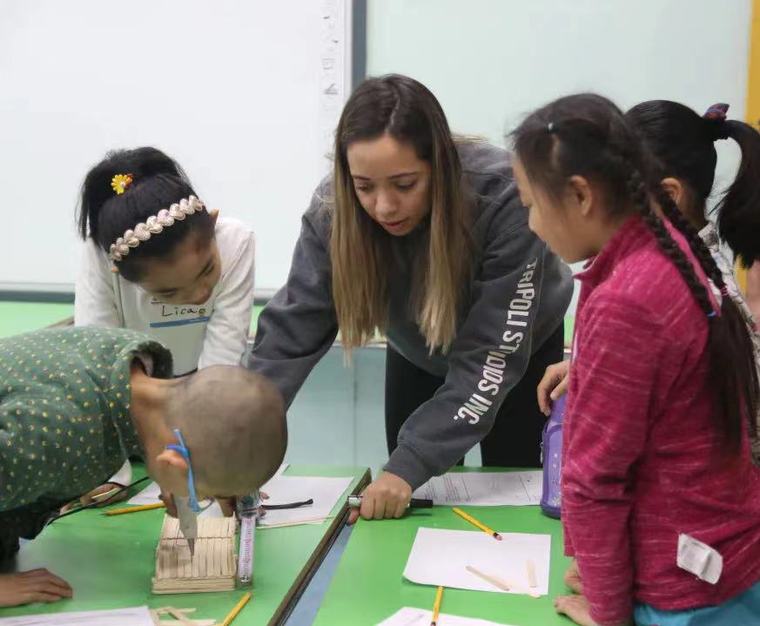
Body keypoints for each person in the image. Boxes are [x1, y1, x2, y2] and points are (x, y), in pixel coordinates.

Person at [249, 74, 572, 522]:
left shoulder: (501, 196)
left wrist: (408, 465)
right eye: (365, 187)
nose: (383, 207)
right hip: (416, 349)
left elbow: (489, 358)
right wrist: (240, 435)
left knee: (516, 500)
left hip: (519, 352)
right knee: (409, 492)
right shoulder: (332, 209)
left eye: (404, 185)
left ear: (438, 165)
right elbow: (290, 333)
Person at [513, 92, 760, 626]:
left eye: (531, 204)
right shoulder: (664, 249)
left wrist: (608, 612)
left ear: (579, 195)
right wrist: (596, 570)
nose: (531, 224)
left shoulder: (628, 296)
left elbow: (593, 479)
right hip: (720, 562)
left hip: (681, 594)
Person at [0, 326, 285, 608]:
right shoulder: (52, 436)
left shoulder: (138, 363)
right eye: (200, 496)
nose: (193, 501)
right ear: (173, 464)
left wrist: (181, 479)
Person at [75, 147, 256, 502]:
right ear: (122, 276)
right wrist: (111, 473)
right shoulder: (98, 256)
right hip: (126, 403)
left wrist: (207, 456)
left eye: (207, 270)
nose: (200, 293)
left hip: (205, 400)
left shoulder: (236, 241)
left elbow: (220, 362)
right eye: (169, 291)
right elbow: (101, 364)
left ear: (214, 222)